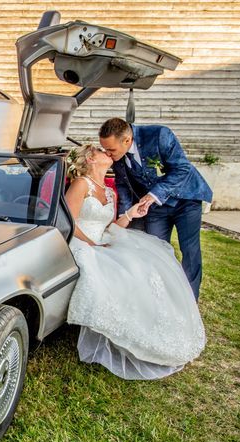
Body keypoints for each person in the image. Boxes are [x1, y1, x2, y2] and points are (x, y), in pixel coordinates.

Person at [65, 144, 205, 380]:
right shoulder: (81, 184)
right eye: (101, 150)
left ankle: (153, 329)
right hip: (81, 242)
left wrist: (130, 215)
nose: (106, 152)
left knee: (146, 265)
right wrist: (93, 244)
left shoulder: (108, 191)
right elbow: (68, 221)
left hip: (103, 240)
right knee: (123, 270)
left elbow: (109, 226)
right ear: (90, 158)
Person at [98, 118, 213, 300]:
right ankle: (161, 298)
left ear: (127, 140)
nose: (108, 154)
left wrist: (154, 194)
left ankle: (191, 301)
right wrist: (125, 216)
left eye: (111, 149)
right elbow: (123, 185)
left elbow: (182, 169)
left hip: (186, 201)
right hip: (154, 209)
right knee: (154, 250)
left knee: (190, 252)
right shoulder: (118, 157)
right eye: (105, 149)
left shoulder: (159, 135)